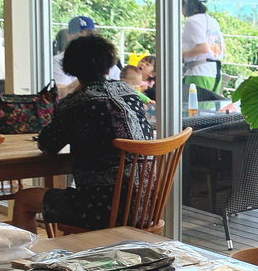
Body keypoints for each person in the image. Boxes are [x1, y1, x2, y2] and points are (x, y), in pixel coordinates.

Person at [12, 35, 153, 232]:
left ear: (72, 68)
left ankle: (28, 262)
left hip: (104, 208)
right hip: (146, 204)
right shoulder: (127, 92)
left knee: (24, 199)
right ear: (107, 65)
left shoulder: (75, 104)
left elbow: (47, 145)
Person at [52, 15, 119, 97]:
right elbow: (61, 93)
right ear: (68, 36)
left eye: (88, 33)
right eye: (79, 33)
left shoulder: (104, 58)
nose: (84, 37)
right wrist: (89, 76)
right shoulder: (59, 60)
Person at [181, 0, 224, 92]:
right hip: (215, 73)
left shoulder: (192, 21)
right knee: (208, 107)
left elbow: (203, 48)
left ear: (184, 3)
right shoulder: (211, 20)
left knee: (193, 107)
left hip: (197, 73)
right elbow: (221, 48)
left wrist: (178, 55)